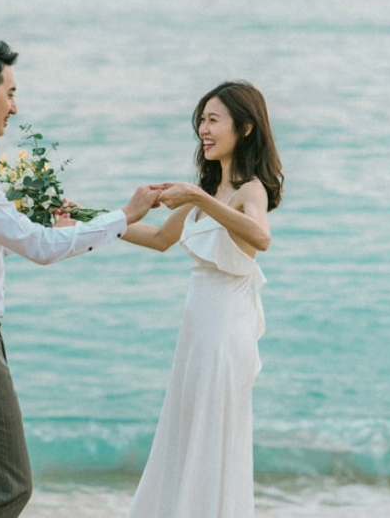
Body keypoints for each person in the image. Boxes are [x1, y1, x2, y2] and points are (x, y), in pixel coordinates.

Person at [0, 33, 161, 518]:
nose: (15, 108)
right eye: (11, 93)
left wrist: (57, 223)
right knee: (7, 489)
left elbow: (9, 234)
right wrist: (124, 215)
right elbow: (39, 248)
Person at [124, 80, 283, 518]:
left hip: (224, 334)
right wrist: (86, 222)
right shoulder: (208, 193)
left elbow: (260, 237)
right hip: (196, 333)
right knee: (186, 433)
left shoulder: (250, 190)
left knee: (212, 440)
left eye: (214, 120)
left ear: (245, 128)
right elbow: (158, 238)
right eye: (201, 120)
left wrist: (196, 195)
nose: (203, 130)